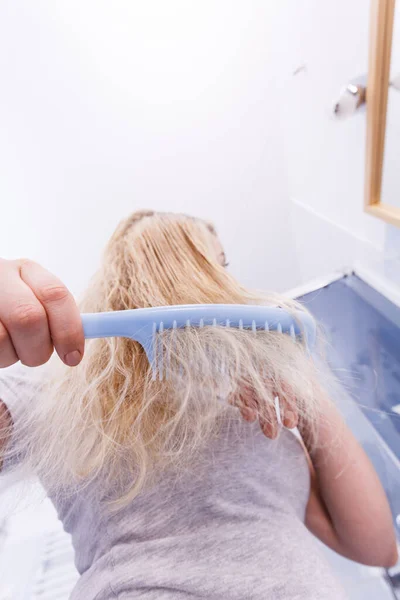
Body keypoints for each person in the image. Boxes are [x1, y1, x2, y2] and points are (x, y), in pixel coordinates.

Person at [0, 210, 397, 600]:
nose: (226, 280)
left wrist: (301, 380)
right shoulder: (63, 380)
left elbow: (377, 548)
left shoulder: (258, 408)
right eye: (216, 263)